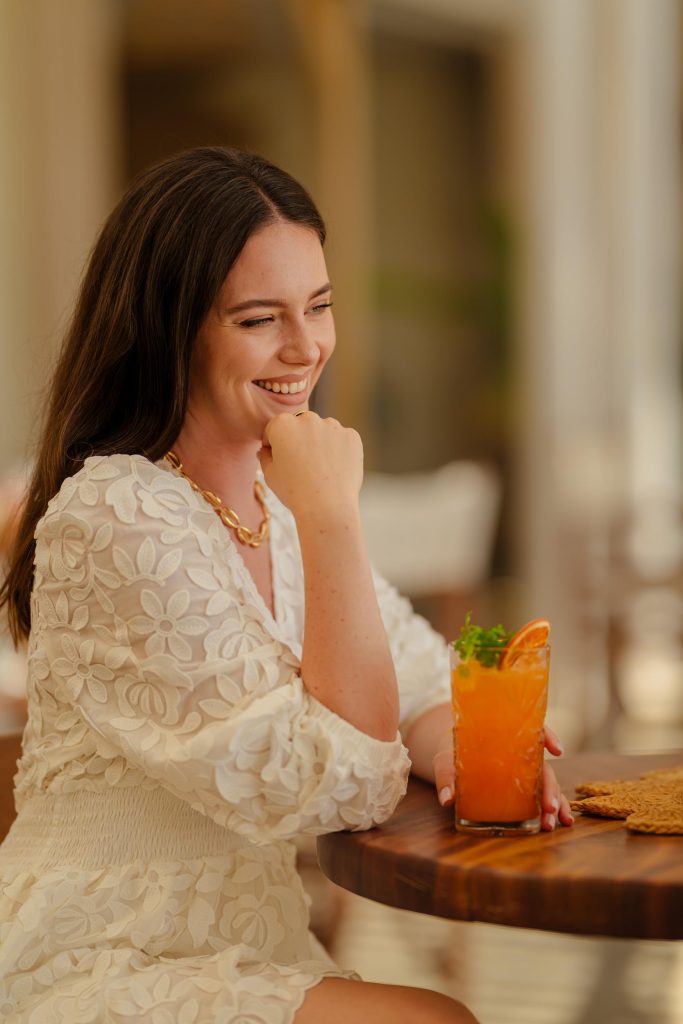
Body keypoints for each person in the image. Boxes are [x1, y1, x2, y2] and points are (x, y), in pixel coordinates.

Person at [0, 147, 572, 1024]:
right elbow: (322, 782)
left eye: (319, 305)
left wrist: (451, 743)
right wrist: (335, 518)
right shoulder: (114, 511)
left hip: (250, 946)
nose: (306, 348)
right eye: (260, 318)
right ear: (172, 327)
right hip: (100, 956)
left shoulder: (273, 495)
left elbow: (418, 673)